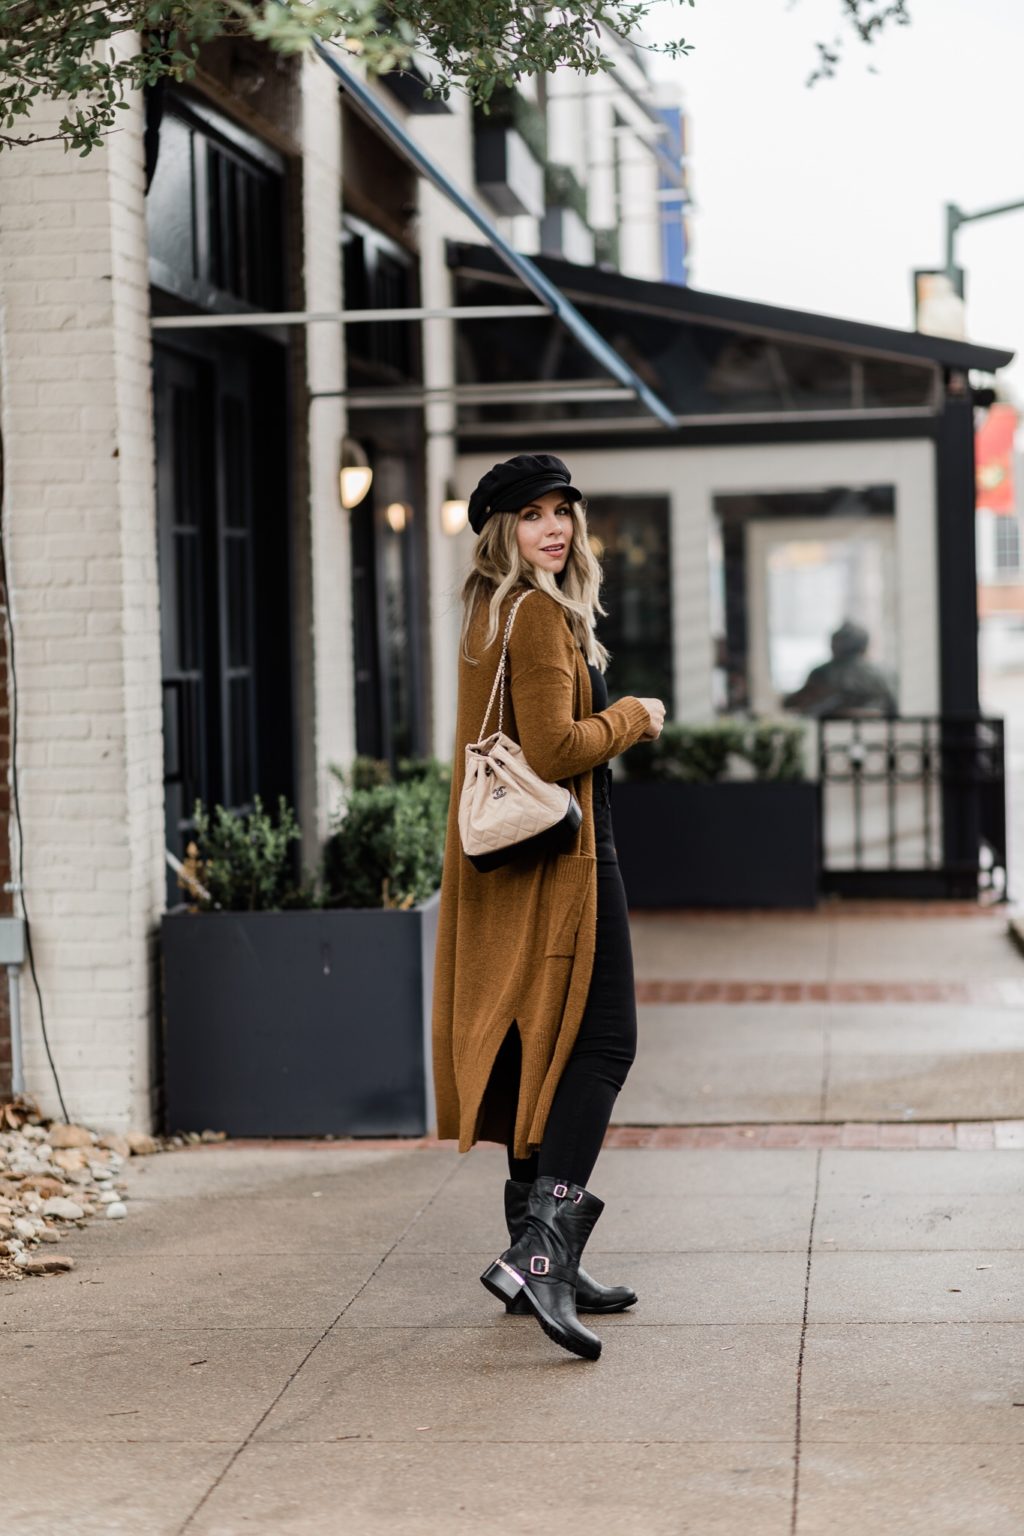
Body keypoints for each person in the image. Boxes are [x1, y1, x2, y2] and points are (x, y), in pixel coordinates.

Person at [431, 452, 665, 1362]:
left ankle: (532, 1254)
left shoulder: (491, 613)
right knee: (605, 1042)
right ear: (501, 531)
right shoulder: (532, 614)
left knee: (540, 1045)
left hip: (516, 865)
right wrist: (636, 715)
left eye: (563, 509)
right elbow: (560, 746)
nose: (555, 527)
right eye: (532, 515)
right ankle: (543, 1255)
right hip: (566, 860)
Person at [781, 619, 898, 718]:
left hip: (827, 739)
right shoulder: (885, 673)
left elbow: (792, 704)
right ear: (865, 646)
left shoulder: (822, 673)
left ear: (835, 646)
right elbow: (893, 709)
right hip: (879, 737)